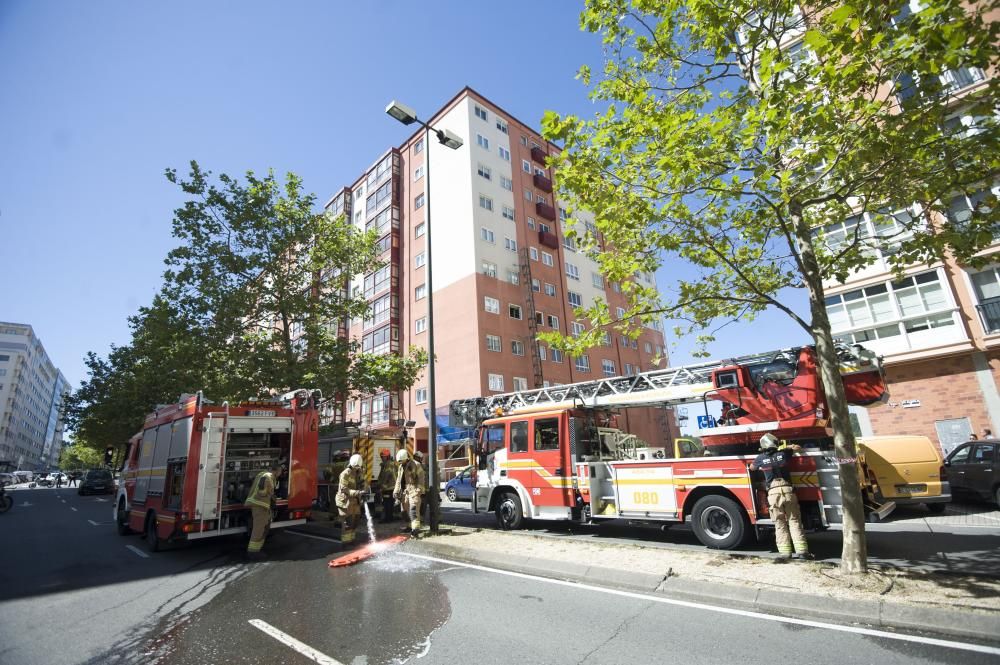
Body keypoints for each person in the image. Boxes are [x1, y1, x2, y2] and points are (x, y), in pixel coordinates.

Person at [749, 433, 812, 560]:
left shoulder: (760, 458)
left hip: (773, 493)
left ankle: (785, 553)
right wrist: (787, 446)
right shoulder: (784, 454)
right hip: (788, 491)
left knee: (780, 523)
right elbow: (797, 447)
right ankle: (802, 552)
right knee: (794, 521)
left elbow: (752, 468)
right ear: (775, 443)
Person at [245, 461, 285, 560]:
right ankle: (253, 552)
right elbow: (263, 491)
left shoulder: (262, 474)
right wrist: (273, 498)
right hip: (260, 506)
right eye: (280, 471)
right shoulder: (268, 476)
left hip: (261, 505)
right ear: (277, 470)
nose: (281, 474)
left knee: (263, 528)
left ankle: (256, 550)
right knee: (259, 529)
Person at [336, 454, 366, 545]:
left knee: (355, 521)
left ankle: (352, 540)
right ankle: (346, 543)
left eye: (358, 467)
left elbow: (363, 482)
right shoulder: (345, 473)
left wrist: (364, 489)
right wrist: (357, 492)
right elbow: (343, 489)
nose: (357, 468)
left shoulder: (359, 472)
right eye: (355, 467)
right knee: (348, 523)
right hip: (345, 501)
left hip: (355, 501)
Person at [394, 449, 425, 534]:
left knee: (413, 510)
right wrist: (396, 491)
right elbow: (398, 480)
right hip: (404, 491)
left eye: (402, 461)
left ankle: (415, 528)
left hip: (413, 490)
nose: (401, 463)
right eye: (399, 462)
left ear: (406, 458)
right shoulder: (401, 467)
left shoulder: (416, 465)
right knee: (404, 511)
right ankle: (409, 526)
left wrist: (418, 491)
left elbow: (421, 478)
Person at [376, 449, 397, 522]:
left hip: (388, 488)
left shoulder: (388, 464)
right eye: (381, 456)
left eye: (383, 457)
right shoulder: (387, 464)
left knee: (387, 503)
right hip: (389, 487)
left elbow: (387, 475)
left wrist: (382, 486)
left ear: (387, 457)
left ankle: (388, 518)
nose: (382, 458)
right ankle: (389, 518)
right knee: (389, 503)